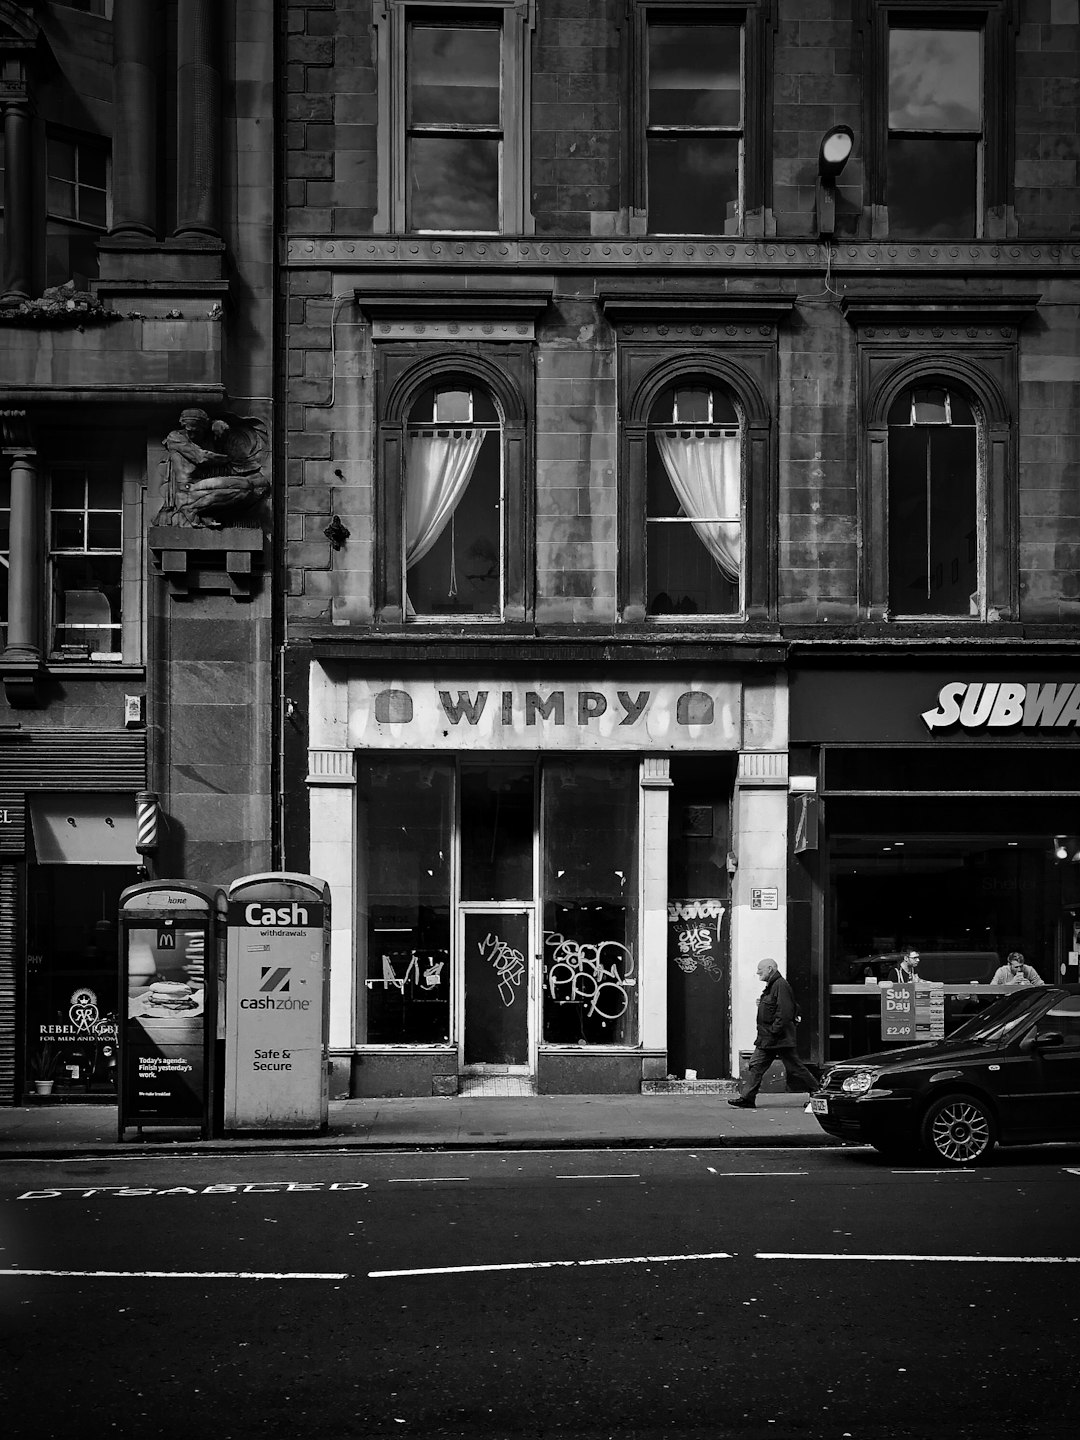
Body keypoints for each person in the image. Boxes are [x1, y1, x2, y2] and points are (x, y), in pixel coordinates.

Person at [728, 958, 819, 1108]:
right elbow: (778, 1007)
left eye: (760, 969)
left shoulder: (780, 985)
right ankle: (747, 1098)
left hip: (777, 1038)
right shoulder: (774, 986)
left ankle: (818, 1092)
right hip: (769, 1038)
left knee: (794, 1067)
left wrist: (774, 1031)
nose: (757, 972)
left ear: (770, 969)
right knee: (756, 1065)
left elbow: (785, 1012)